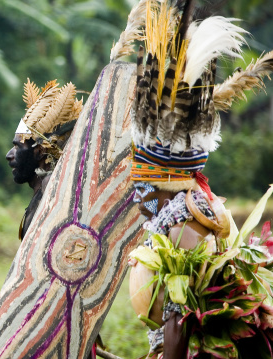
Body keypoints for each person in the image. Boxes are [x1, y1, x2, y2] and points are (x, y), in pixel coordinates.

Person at [111, 0, 273, 357]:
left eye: (141, 186)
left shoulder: (183, 227)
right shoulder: (183, 213)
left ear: (156, 182)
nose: (137, 196)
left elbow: (178, 319)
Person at [6, 79, 83, 241]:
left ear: (40, 152)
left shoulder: (51, 187)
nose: (9, 154)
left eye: (17, 147)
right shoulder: (44, 190)